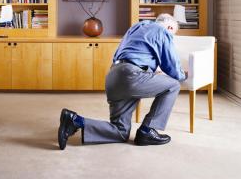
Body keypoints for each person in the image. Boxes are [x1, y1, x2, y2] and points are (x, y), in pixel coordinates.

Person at [58, 13, 187, 150]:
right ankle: (147, 130)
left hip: (114, 76)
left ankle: (75, 121)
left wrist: (150, 71)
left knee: (120, 131)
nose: (172, 37)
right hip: (132, 76)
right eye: (173, 33)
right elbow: (172, 66)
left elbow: (130, 54)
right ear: (169, 26)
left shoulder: (136, 27)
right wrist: (184, 75)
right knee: (173, 85)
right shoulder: (162, 31)